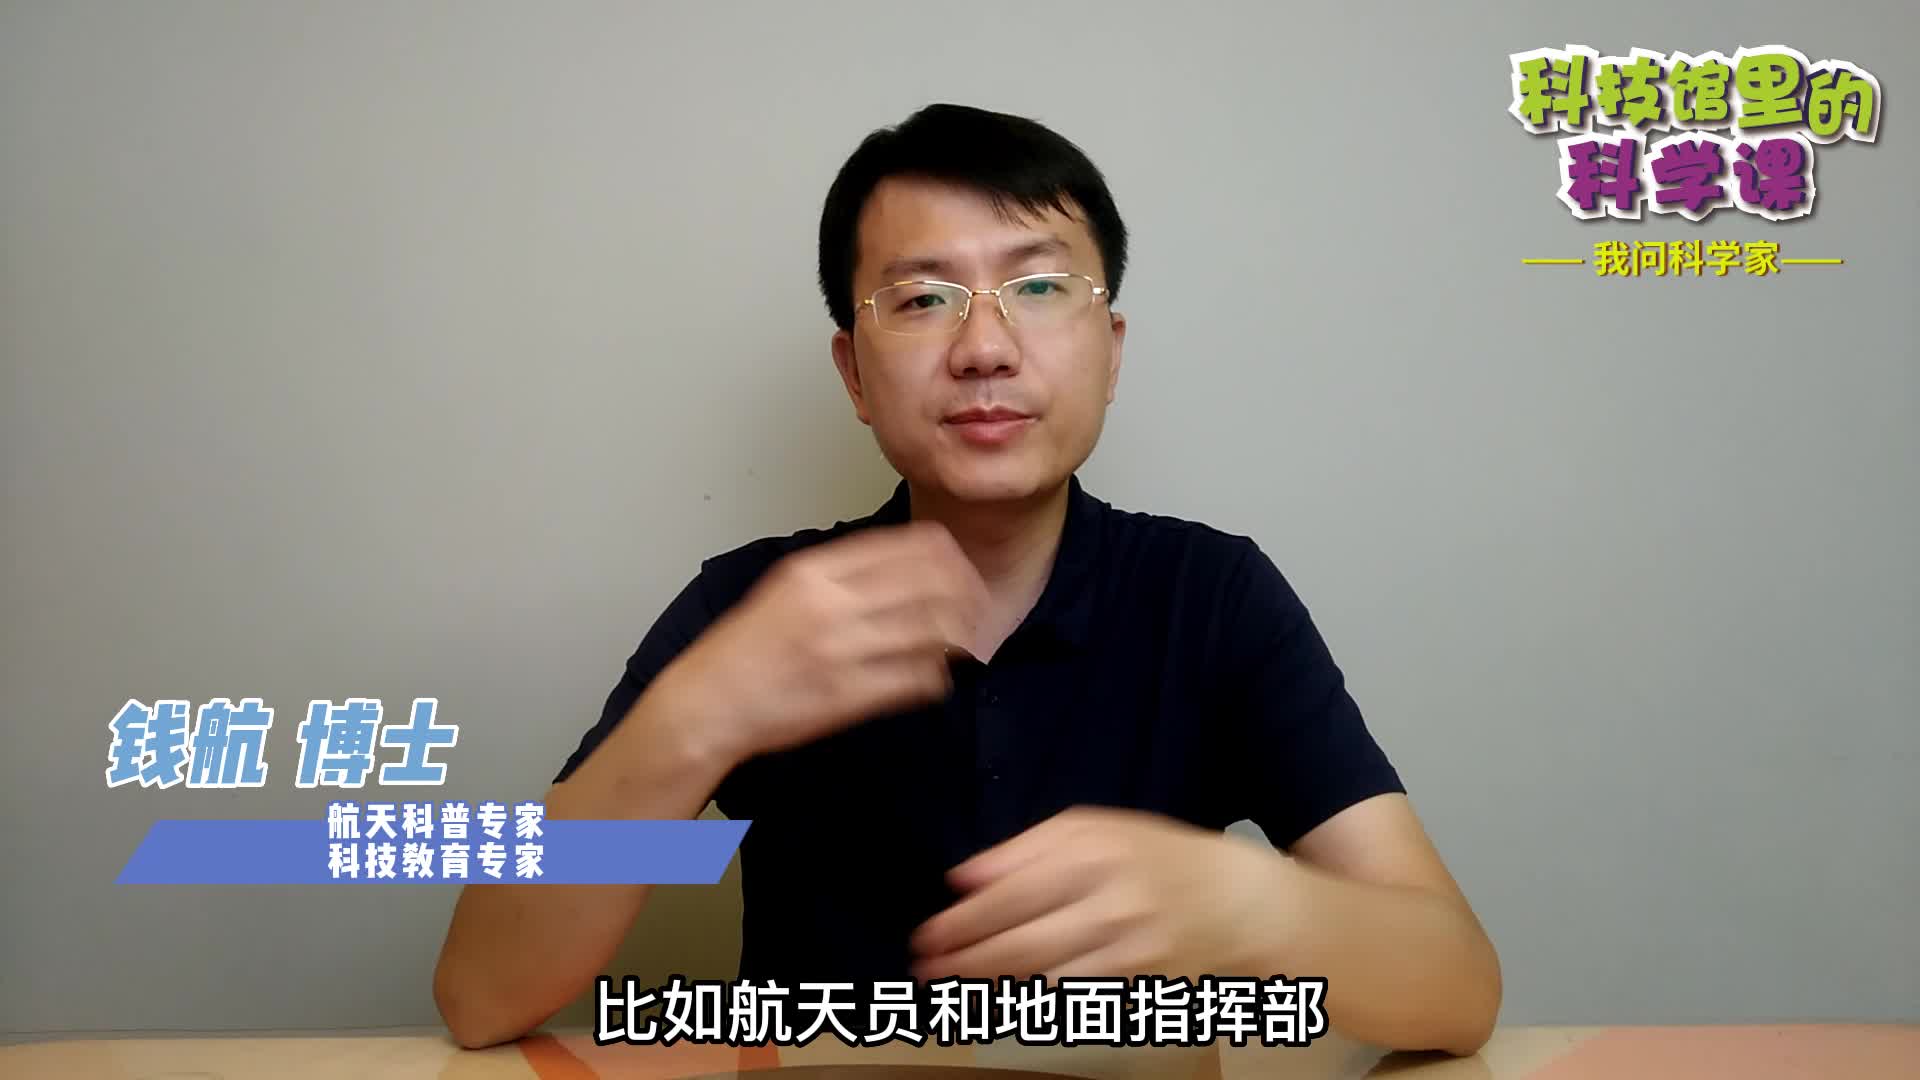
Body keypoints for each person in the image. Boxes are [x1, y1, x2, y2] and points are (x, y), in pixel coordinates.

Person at [432, 102, 1501, 1055]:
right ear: (854, 373)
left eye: (1038, 286)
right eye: (922, 299)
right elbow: (482, 996)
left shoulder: (1212, 595)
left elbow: (1459, 987)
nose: (985, 347)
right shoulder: (752, 604)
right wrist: (696, 718)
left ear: (1111, 349)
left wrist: (1255, 908)